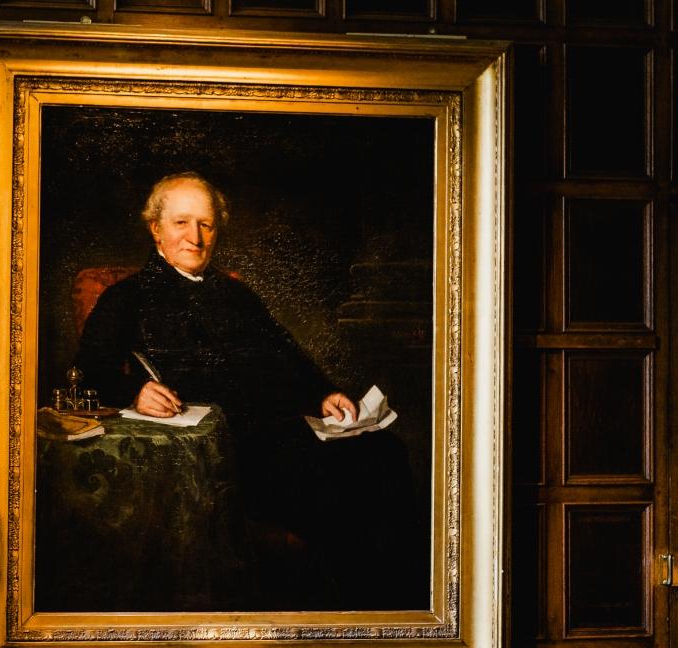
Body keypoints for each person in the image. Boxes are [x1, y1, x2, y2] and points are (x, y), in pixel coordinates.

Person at [72, 171, 424, 608]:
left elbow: (284, 355)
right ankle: (367, 617)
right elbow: (89, 371)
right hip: (219, 455)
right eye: (182, 222)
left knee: (386, 453)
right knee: (344, 493)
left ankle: (405, 615)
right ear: (155, 229)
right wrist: (135, 391)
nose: (195, 237)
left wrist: (322, 393)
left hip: (279, 438)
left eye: (206, 224)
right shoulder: (126, 297)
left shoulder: (235, 294)